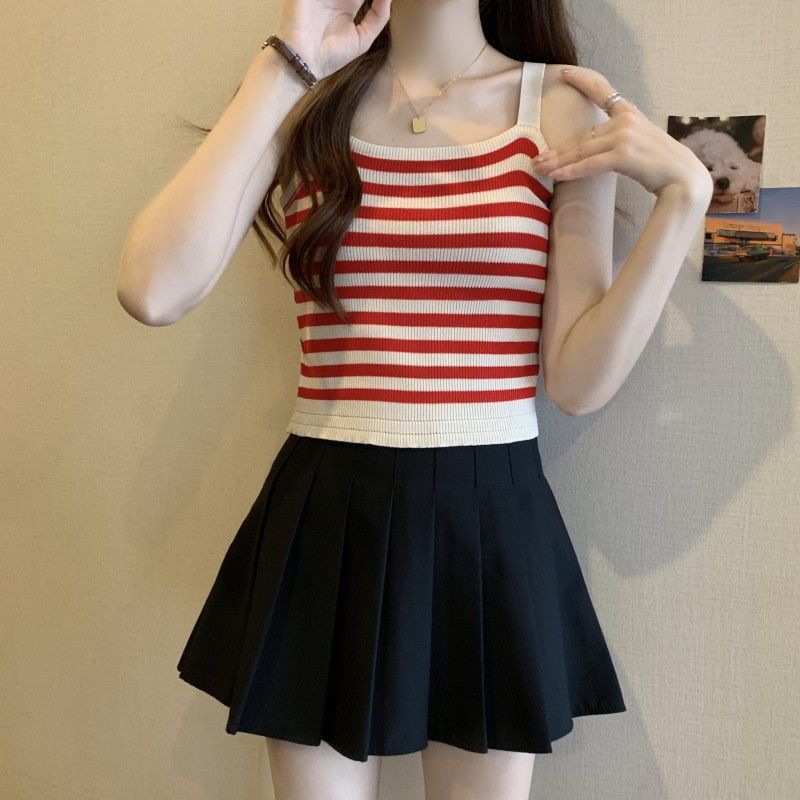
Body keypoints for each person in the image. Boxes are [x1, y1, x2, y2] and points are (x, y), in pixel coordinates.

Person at [116, 0, 712, 797]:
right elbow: (152, 290)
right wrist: (285, 63)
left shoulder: (559, 108)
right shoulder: (307, 98)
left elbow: (576, 382)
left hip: (489, 516)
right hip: (328, 509)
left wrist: (685, 198)